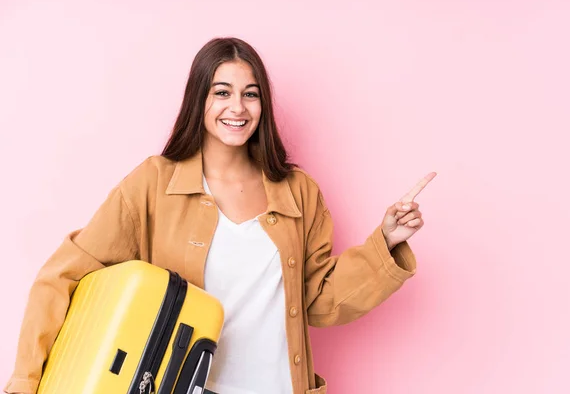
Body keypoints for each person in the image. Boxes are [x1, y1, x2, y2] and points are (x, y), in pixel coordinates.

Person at [4, 37, 436, 394]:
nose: (238, 107)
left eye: (251, 94)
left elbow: (318, 301)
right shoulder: (154, 184)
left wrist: (386, 241)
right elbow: (62, 276)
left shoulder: (297, 191)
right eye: (222, 92)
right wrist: (26, 382)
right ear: (200, 99)